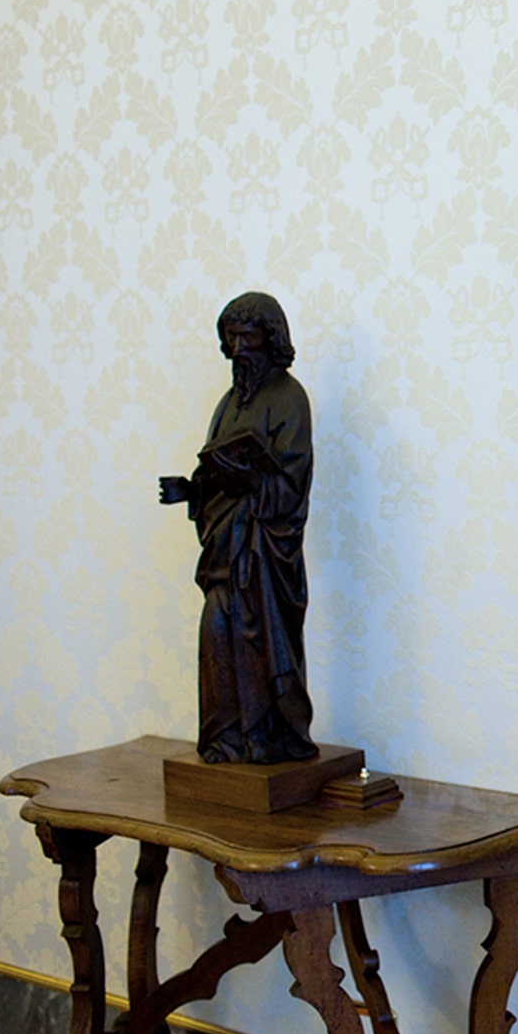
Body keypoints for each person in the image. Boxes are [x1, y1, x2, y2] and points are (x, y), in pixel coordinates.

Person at [159, 292, 318, 765]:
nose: (238, 346)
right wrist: (191, 490)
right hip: (226, 553)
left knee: (259, 639)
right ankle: (226, 739)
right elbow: (215, 470)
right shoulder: (229, 402)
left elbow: (291, 483)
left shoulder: (290, 398)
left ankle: (269, 737)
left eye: (248, 336)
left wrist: (250, 478)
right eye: (231, 337)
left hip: (266, 558)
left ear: (271, 339)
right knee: (218, 631)